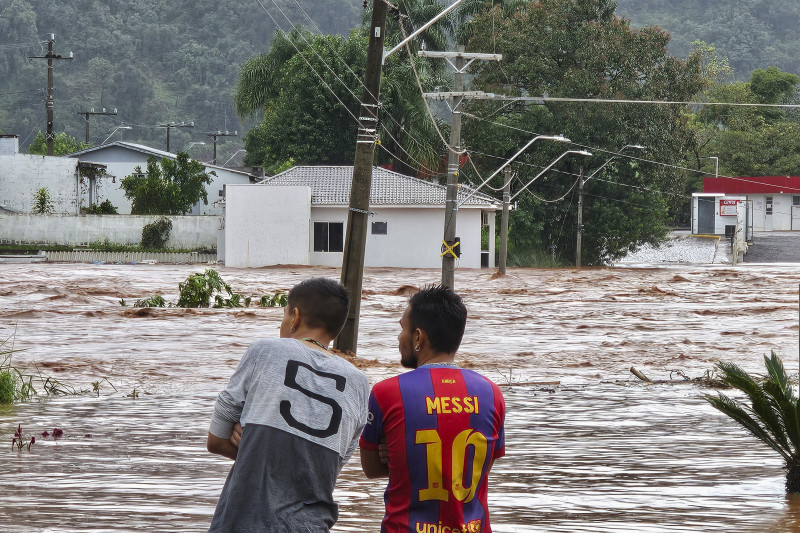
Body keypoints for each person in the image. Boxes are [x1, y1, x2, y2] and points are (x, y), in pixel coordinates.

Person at [207, 277, 370, 533]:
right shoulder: (359, 383)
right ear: (337, 329)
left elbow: (216, 440)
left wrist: (254, 444)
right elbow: (326, 468)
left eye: (283, 314)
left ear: (295, 316)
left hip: (245, 521)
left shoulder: (265, 350)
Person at [360, 285, 506, 533]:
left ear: (418, 337)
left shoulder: (386, 392)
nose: (399, 338)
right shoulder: (492, 393)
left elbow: (371, 468)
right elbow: (481, 467)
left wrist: (400, 453)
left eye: (402, 329)